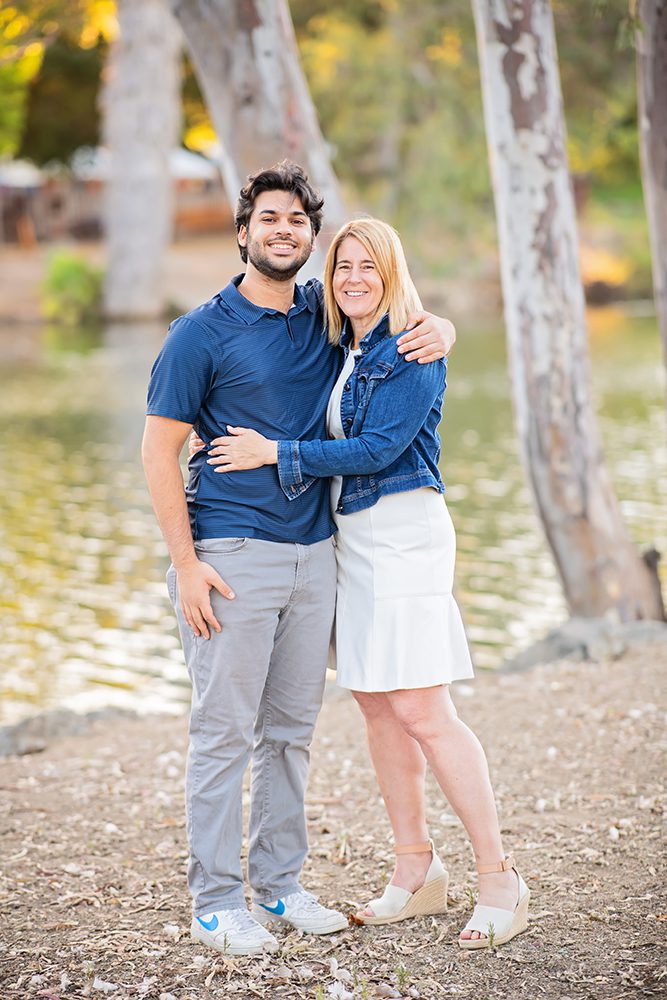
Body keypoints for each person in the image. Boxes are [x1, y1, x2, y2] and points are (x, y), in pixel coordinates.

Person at [141, 162, 455, 957]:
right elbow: (156, 451)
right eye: (268, 218)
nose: (283, 230)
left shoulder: (323, 313)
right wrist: (185, 565)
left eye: (297, 221)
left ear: (310, 239)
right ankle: (216, 902)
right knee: (223, 733)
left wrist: (442, 327)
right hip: (231, 552)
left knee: (288, 733)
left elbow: (388, 309)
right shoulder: (198, 333)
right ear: (242, 233)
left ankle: (279, 885)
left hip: (316, 554)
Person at [203, 217, 530, 950]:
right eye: (343, 265)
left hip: (404, 537)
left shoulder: (411, 345)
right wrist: (208, 420)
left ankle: (499, 877)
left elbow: (379, 447)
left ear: (392, 272)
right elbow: (251, 325)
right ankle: (416, 868)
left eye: (368, 266)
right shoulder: (339, 337)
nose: (354, 278)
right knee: (377, 707)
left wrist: (275, 453)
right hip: (351, 538)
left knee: (423, 709)